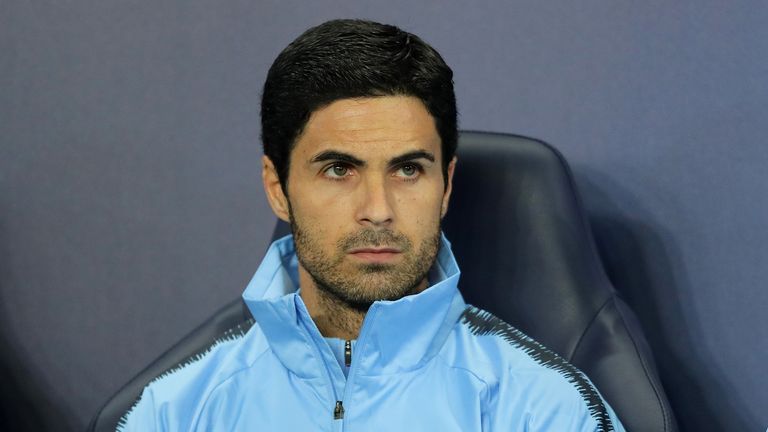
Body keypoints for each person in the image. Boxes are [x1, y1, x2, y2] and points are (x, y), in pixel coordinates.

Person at [119, 19, 625, 431]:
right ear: (278, 188)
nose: (378, 209)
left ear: (446, 186)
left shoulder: (548, 412)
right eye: (339, 169)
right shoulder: (173, 413)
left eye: (408, 170)